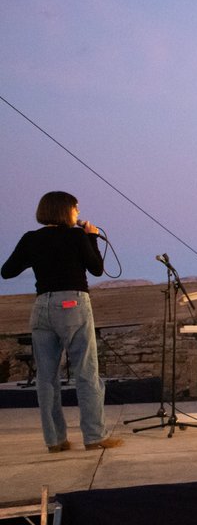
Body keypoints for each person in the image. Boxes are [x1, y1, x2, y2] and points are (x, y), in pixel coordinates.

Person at [2, 191, 121, 451]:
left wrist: (38, 257)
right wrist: (91, 238)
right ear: (65, 210)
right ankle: (94, 437)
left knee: (46, 378)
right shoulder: (77, 235)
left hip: (42, 306)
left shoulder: (30, 239)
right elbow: (96, 269)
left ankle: (55, 441)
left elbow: (7, 271)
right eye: (76, 209)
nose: (78, 213)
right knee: (86, 372)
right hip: (72, 305)